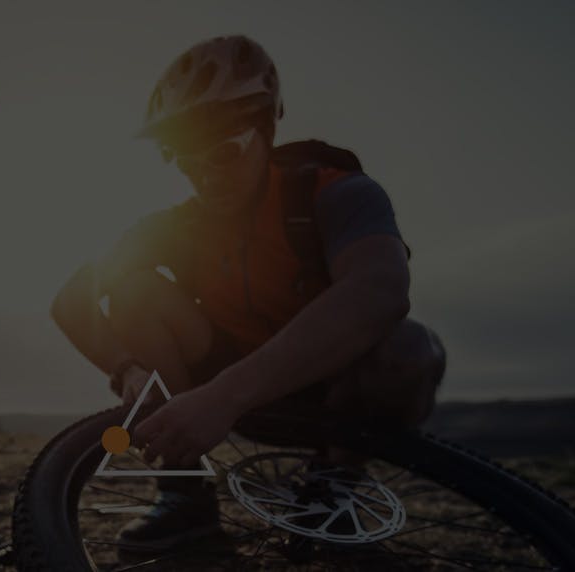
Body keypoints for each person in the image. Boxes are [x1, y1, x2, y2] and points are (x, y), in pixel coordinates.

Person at [50, 35, 446, 552]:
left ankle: (331, 493)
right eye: (187, 159)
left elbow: (381, 291)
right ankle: (184, 494)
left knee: (409, 350)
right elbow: (71, 299)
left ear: (266, 129)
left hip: (333, 398)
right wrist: (128, 368)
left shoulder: (337, 192)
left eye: (224, 152)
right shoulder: (178, 225)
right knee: (135, 294)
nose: (206, 175)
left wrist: (225, 395)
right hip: (222, 388)